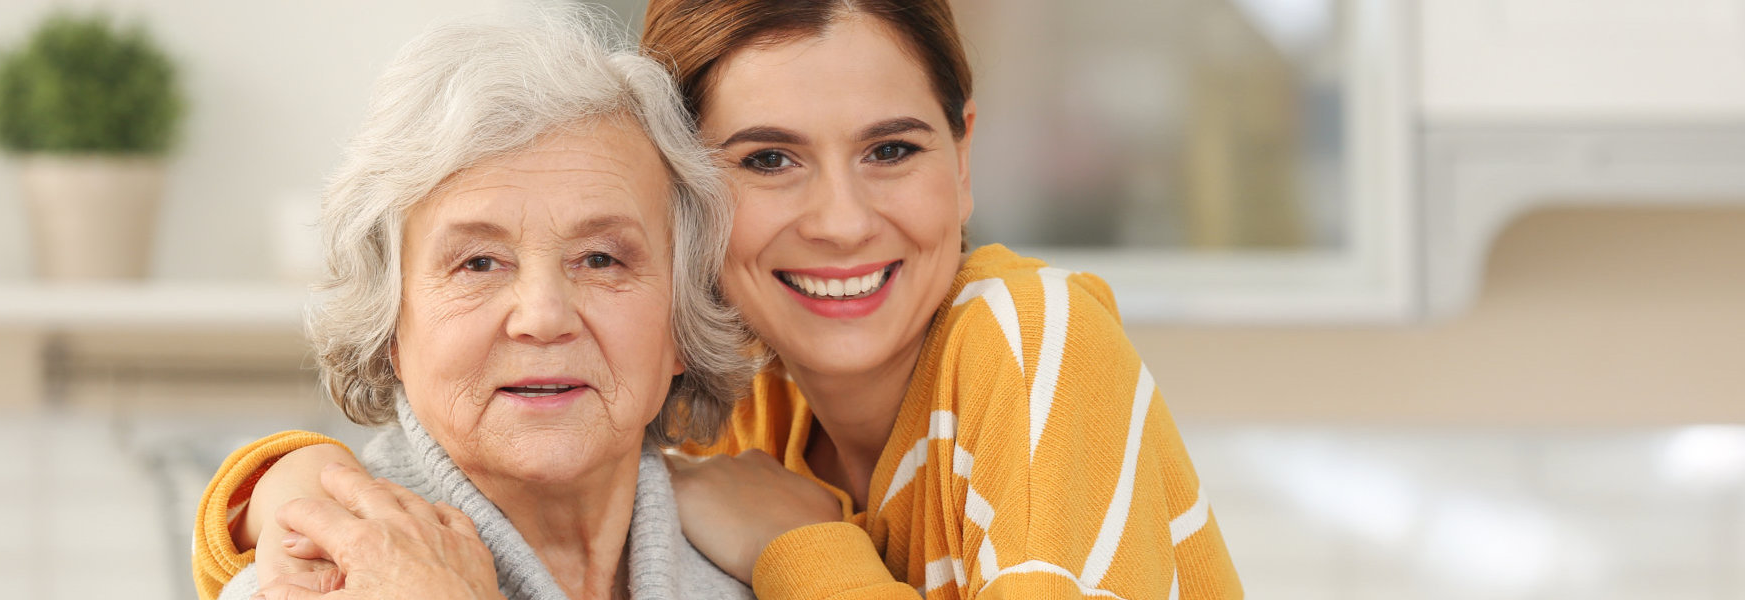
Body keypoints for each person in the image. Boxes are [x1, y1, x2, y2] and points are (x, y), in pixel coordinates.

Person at [202, 1, 1244, 598]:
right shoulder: (747, 406)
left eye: (604, 260)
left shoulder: (1029, 341)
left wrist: (806, 552)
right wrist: (282, 485)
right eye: (771, 157)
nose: (840, 220)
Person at [188, 9, 759, 600]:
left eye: (600, 259)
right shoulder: (313, 582)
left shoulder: (769, 561)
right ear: (390, 330)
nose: (543, 317)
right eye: (479, 263)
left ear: (684, 318)